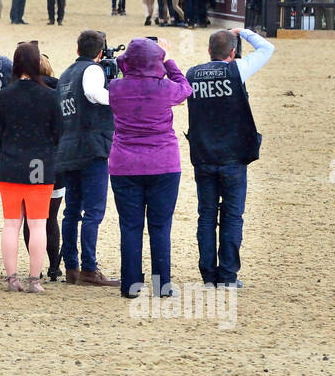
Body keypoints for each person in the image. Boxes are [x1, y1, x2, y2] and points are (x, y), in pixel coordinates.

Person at [185, 28, 274, 289]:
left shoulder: (192, 74)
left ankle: (208, 274)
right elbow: (268, 49)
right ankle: (227, 275)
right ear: (232, 53)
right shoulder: (237, 70)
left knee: (206, 216)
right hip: (233, 155)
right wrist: (244, 32)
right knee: (233, 216)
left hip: (203, 155)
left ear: (209, 50)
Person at [106, 37, 192, 298]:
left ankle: (130, 285)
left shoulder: (116, 88)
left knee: (130, 226)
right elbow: (185, 88)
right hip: (163, 162)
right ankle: (162, 284)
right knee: (160, 226)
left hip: (124, 163)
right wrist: (168, 60)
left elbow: (121, 70)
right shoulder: (164, 88)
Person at [0, 42, 61, 292]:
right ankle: (35, 279)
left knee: (11, 223)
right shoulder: (51, 95)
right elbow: (58, 132)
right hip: (40, 164)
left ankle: (12, 278)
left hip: (10, 163)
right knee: (38, 223)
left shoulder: (3, 95)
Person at [55, 30, 119, 287]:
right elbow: (95, 95)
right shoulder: (92, 71)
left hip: (68, 146)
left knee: (72, 210)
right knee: (93, 211)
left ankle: (72, 266)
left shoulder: (65, 75)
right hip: (92, 147)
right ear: (100, 52)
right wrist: (118, 94)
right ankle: (89, 268)